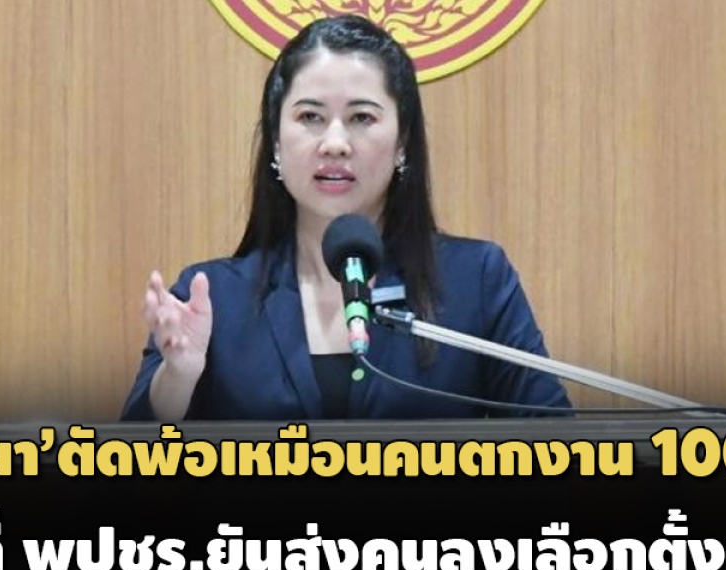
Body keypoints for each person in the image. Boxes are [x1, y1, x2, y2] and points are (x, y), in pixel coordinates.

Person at [121, 15, 571, 422]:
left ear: (402, 142)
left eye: (361, 117)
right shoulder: (213, 297)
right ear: (276, 141)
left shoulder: (477, 281)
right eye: (310, 116)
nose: (335, 143)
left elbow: (558, 443)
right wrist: (179, 376)